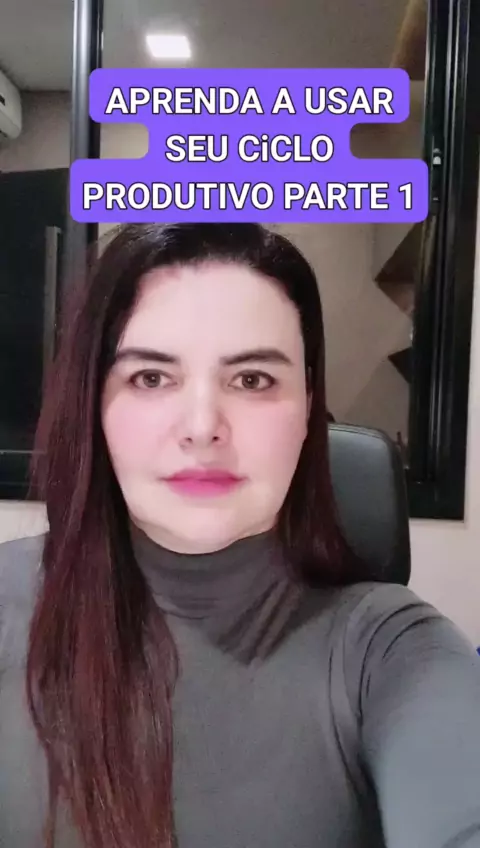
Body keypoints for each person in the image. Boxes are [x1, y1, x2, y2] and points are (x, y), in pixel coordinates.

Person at [0, 223, 479, 848]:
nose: (202, 426)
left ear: (309, 406)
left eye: (252, 379)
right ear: (95, 405)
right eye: (151, 377)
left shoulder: (390, 651)